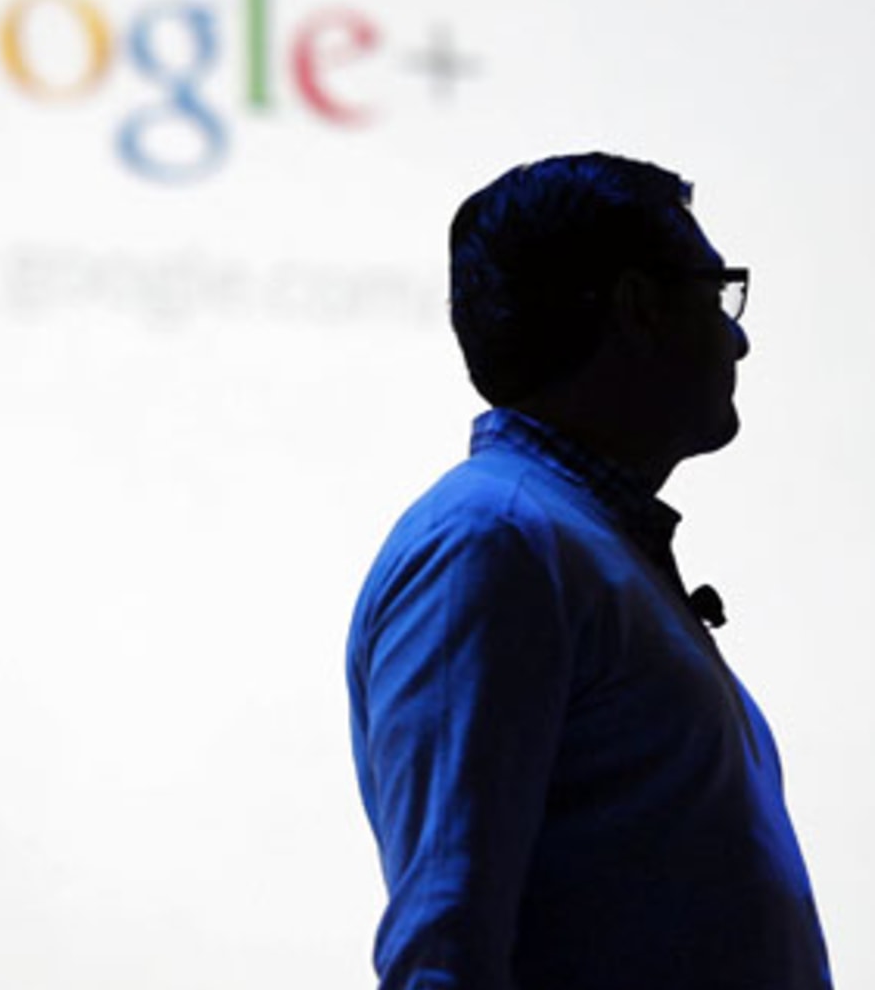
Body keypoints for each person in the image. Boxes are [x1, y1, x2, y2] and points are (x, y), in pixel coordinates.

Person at [346, 153, 833, 989]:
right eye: (716, 295)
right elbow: (445, 955)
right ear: (640, 306)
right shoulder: (491, 541)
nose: (740, 338)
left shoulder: (560, 542)